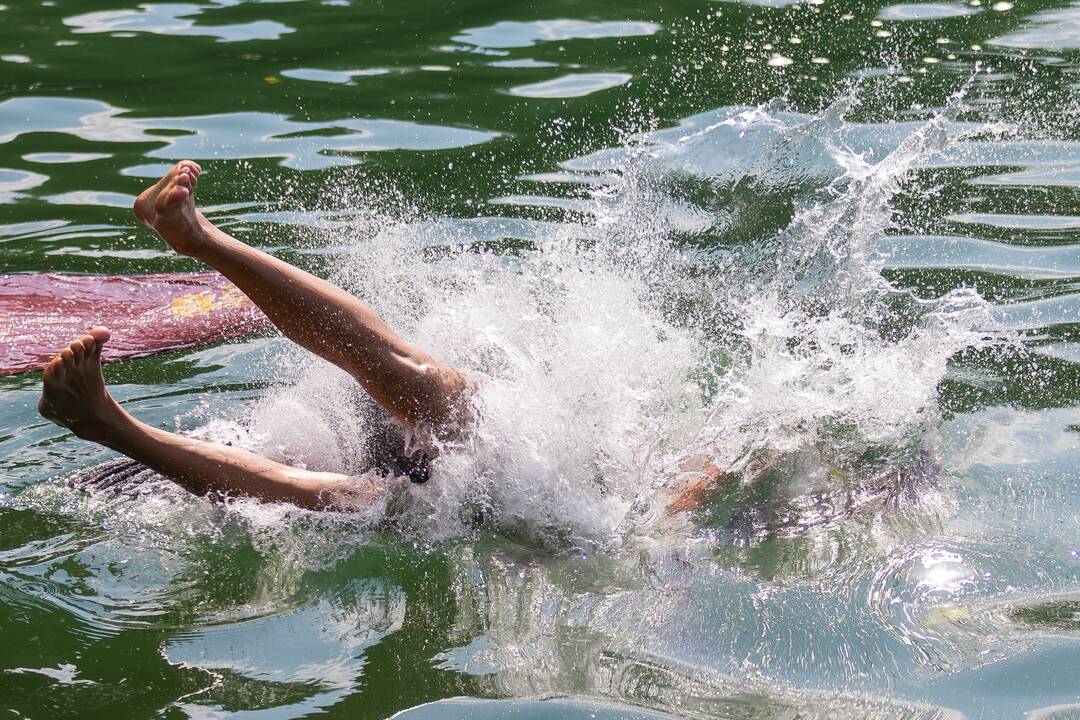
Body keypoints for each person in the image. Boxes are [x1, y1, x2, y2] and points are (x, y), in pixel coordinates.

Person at [38, 162, 737, 515]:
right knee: (425, 394)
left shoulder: (606, 522)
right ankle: (197, 240)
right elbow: (698, 469)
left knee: (344, 503)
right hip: (501, 453)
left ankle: (111, 426)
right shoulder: (646, 482)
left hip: (431, 484)